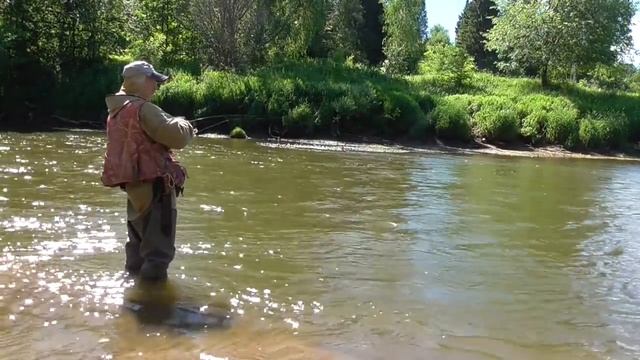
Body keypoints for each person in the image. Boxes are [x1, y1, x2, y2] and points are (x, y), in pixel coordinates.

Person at [101, 60, 197, 281]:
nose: (156, 86)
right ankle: (154, 308)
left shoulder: (116, 111)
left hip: (134, 189)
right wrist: (186, 124)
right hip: (156, 189)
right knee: (158, 255)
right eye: (153, 81)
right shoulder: (143, 108)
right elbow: (177, 136)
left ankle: (132, 299)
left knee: (136, 250)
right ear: (140, 81)